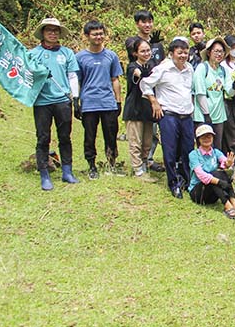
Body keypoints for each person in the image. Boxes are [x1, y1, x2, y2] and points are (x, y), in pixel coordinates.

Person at [29, 18, 80, 190]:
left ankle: (67, 171)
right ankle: (44, 174)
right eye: (49, 30)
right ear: (43, 33)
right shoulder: (33, 54)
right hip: (42, 102)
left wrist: (75, 97)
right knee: (43, 138)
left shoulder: (67, 53)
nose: (52, 33)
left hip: (63, 100)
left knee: (65, 136)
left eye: (56, 30)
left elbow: (72, 76)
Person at [141, 38, 194, 198]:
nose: (183, 56)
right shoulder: (163, 68)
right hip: (169, 114)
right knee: (170, 150)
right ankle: (173, 182)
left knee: (188, 150)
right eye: (180, 53)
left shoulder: (189, 68)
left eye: (186, 52)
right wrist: (154, 102)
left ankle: (186, 179)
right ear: (171, 54)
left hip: (186, 115)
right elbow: (145, 84)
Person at [76, 20, 123, 179]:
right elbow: (77, 81)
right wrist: (76, 102)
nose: (99, 36)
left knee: (111, 134)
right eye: (95, 34)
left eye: (101, 33)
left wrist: (118, 101)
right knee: (89, 136)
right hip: (89, 103)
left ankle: (112, 163)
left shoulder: (111, 56)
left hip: (108, 102)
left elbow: (115, 79)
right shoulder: (80, 57)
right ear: (87, 36)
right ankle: (91, 165)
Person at [187, 124, 235, 219]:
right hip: (198, 193)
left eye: (209, 136)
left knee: (221, 173)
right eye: (203, 137)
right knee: (213, 176)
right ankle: (228, 206)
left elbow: (224, 162)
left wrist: (228, 164)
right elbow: (201, 175)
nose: (207, 139)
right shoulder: (193, 155)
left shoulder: (216, 152)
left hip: (213, 195)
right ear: (198, 139)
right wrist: (220, 182)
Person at [123, 38, 155, 178]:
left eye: (148, 50)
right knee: (135, 141)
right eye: (142, 51)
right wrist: (143, 74)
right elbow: (137, 72)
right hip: (134, 108)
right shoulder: (132, 66)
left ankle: (144, 164)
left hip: (148, 109)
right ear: (136, 53)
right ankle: (137, 170)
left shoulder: (152, 66)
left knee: (147, 141)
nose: (146, 53)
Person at [192, 36, 230, 149]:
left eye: (222, 52)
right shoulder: (202, 68)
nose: (219, 54)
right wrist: (206, 114)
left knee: (217, 146)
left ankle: (216, 166)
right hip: (203, 115)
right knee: (204, 145)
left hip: (219, 115)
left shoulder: (223, 70)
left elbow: (229, 90)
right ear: (209, 52)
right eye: (216, 51)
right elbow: (200, 92)